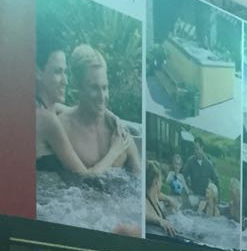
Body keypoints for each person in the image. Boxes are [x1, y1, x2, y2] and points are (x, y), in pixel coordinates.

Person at [56, 45, 141, 176]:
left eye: (105, 87)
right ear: (78, 86)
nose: (102, 97)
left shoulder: (118, 131)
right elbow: (83, 180)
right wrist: (114, 151)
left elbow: (139, 179)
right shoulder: (63, 128)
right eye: (94, 88)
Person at [182, 137, 219, 216]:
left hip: (205, 197)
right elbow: (183, 175)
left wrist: (216, 201)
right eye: (194, 149)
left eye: (197, 148)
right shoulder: (190, 162)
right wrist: (188, 188)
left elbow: (216, 181)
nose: (195, 151)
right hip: (194, 196)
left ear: (202, 148)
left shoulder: (209, 164)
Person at [145, 161, 177, 237]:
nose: (162, 182)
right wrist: (160, 221)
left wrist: (169, 199)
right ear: (155, 181)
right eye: (161, 179)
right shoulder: (145, 203)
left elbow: (159, 195)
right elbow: (143, 214)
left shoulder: (153, 194)